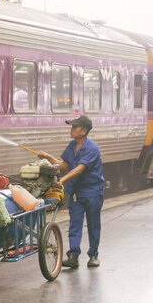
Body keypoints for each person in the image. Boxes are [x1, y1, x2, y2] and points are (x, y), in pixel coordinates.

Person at [37, 115, 105, 268]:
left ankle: (93, 255)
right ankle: (73, 256)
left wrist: (61, 181)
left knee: (93, 224)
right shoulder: (71, 145)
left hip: (92, 192)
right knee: (75, 224)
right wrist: (47, 157)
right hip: (76, 192)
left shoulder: (92, 148)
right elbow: (64, 165)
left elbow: (80, 169)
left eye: (75, 127)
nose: (71, 129)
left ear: (84, 131)